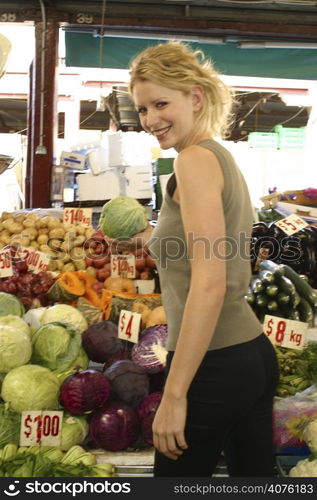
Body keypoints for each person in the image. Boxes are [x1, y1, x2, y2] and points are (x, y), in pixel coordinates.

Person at [127, 41, 279, 477]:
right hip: (246, 352)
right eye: (141, 110)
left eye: (161, 103)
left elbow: (209, 283)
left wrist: (174, 395)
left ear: (194, 97)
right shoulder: (218, 156)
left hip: (214, 363)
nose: (151, 120)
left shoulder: (193, 162)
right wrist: (149, 238)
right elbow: (218, 254)